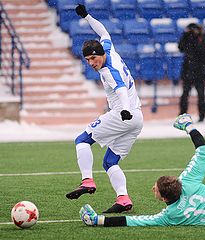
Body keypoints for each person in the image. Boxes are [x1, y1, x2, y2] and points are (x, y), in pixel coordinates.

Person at [79, 114, 205, 227]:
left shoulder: (171, 216)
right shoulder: (188, 181)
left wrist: (98, 221)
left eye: (155, 189)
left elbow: (135, 221)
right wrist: (188, 126)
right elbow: (204, 150)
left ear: (163, 199)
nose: (152, 188)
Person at [65, 4, 143, 214]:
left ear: (100, 54)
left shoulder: (109, 71)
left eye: (93, 58)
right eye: (88, 60)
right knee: (110, 162)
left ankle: (87, 181)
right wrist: (87, 16)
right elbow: (104, 32)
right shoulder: (108, 50)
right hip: (137, 119)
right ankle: (123, 199)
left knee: (81, 140)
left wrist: (124, 110)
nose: (91, 63)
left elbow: (120, 89)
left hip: (123, 114)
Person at [178, 23, 205, 122]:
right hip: (188, 71)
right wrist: (185, 34)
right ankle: (182, 114)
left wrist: (198, 35)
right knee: (185, 94)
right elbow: (180, 47)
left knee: (201, 95)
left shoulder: (203, 38)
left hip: (199, 71)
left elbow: (203, 51)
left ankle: (202, 115)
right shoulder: (188, 38)